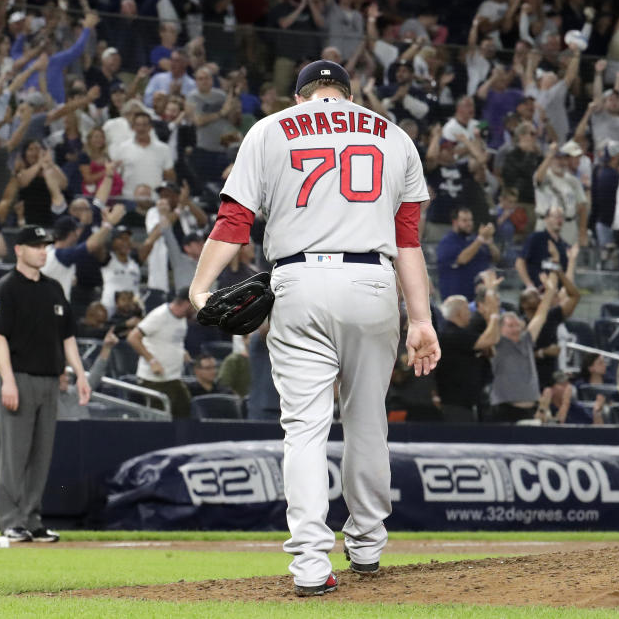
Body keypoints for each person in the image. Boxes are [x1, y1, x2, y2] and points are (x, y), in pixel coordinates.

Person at [186, 60, 438, 596]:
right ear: (347, 94)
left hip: (296, 279)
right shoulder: (392, 135)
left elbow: (234, 221)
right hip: (373, 280)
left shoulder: (270, 129)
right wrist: (421, 319)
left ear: (302, 96)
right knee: (367, 421)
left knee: (304, 428)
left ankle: (309, 564)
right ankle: (367, 546)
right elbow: (409, 238)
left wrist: (201, 286)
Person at [0, 224, 92, 543]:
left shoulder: (54, 288)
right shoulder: (5, 288)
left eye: (46, 245)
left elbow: (68, 337)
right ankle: (11, 520)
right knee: (15, 454)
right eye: (36, 246)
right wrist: (8, 381)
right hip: (20, 378)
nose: (43, 250)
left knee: (41, 455)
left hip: (49, 381)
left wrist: (81, 374)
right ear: (19, 250)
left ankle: (32, 518)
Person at [488, 272, 557, 422]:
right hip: (505, 410)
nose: (516, 329)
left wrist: (549, 292)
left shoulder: (526, 339)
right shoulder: (497, 343)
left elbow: (541, 315)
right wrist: (491, 291)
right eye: (510, 326)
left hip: (531, 410)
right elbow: (492, 314)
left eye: (517, 325)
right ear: (500, 329)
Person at [126, 288, 194, 419]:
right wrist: (152, 361)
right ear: (186, 303)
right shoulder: (160, 315)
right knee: (160, 420)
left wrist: (182, 352)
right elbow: (133, 337)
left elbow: (171, 340)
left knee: (184, 411)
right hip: (154, 380)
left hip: (173, 377)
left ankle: (183, 440)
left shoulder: (182, 319)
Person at [436, 294, 499, 422]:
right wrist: (494, 316)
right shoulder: (452, 334)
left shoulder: (460, 333)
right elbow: (490, 340)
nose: (470, 313)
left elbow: (490, 349)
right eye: (467, 309)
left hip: (466, 402)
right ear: (459, 313)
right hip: (455, 403)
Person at [436, 207, 499, 300]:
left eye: (470, 220)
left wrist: (489, 241)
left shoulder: (474, 239)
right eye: (465, 220)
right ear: (455, 222)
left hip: (481, 297)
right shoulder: (447, 242)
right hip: (458, 298)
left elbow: (496, 258)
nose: (469, 223)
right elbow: (462, 259)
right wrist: (480, 239)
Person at [516, 207, 569, 289]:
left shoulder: (565, 246)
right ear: (546, 219)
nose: (559, 220)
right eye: (555, 216)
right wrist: (529, 285)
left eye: (561, 217)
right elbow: (520, 262)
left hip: (556, 293)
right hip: (537, 291)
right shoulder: (536, 238)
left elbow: (564, 271)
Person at [537, 370, 604, 425]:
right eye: (563, 385)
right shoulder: (546, 407)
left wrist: (597, 412)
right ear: (551, 389)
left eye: (568, 384)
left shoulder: (578, 409)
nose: (568, 388)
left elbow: (596, 429)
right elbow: (555, 426)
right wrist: (543, 406)